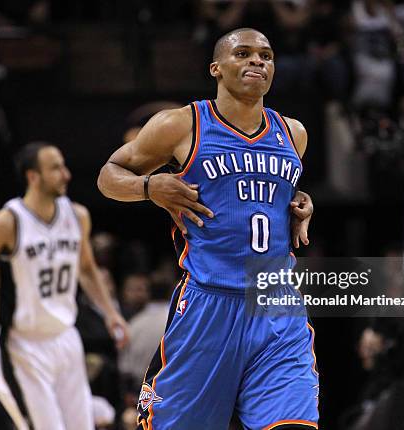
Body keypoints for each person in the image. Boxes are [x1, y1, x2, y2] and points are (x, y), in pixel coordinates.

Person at [98, 27, 317, 429]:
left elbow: (271, 191)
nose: (257, 61)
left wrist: (300, 202)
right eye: (244, 53)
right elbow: (108, 176)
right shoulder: (180, 125)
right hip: (208, 302)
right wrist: (149, 186)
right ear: (216, 68)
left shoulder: (293, 133)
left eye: (266, 56)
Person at [0, 142, 129, 430]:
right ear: (33, 177)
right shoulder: (5, 224)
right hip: (23, 345)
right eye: (56, 168)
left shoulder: (77, 217)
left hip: (66, 338)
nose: (66, 174)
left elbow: (86, 269)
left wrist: (110, 312)